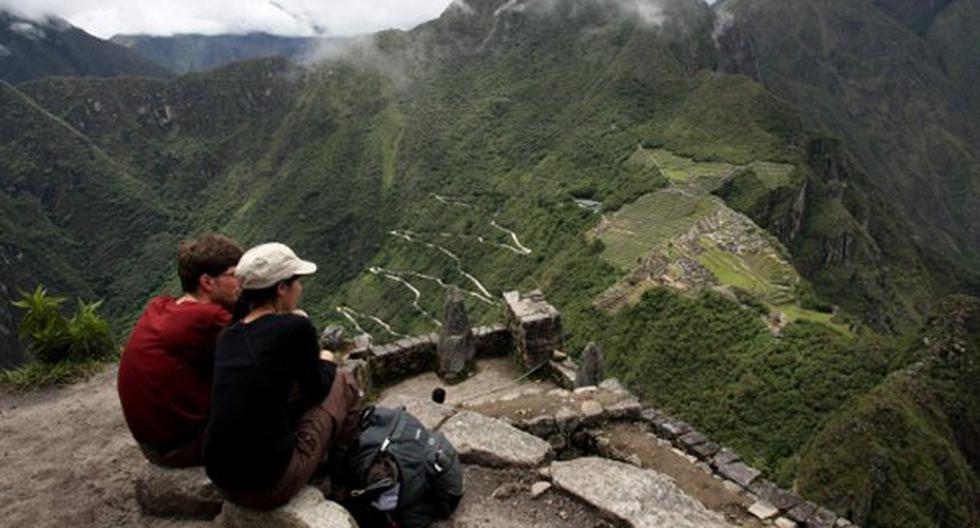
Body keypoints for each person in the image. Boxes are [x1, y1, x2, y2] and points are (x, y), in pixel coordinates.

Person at [204, 242, 361, 509]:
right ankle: (344, 481)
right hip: (269, 484)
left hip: (223, 479)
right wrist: (325, 359)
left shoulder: (228, 335)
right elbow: (317, 389)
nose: (300, 287)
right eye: (296, 281)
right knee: (345, 382)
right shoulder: (295, 328)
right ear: (281, 288)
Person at [118, 233, 243, 467]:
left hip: (152, 444)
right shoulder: (209, 318)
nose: (241, 283)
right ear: (207, 282)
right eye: (234, 275)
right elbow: (263, 351)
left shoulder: (161, 306)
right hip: (183, 447)